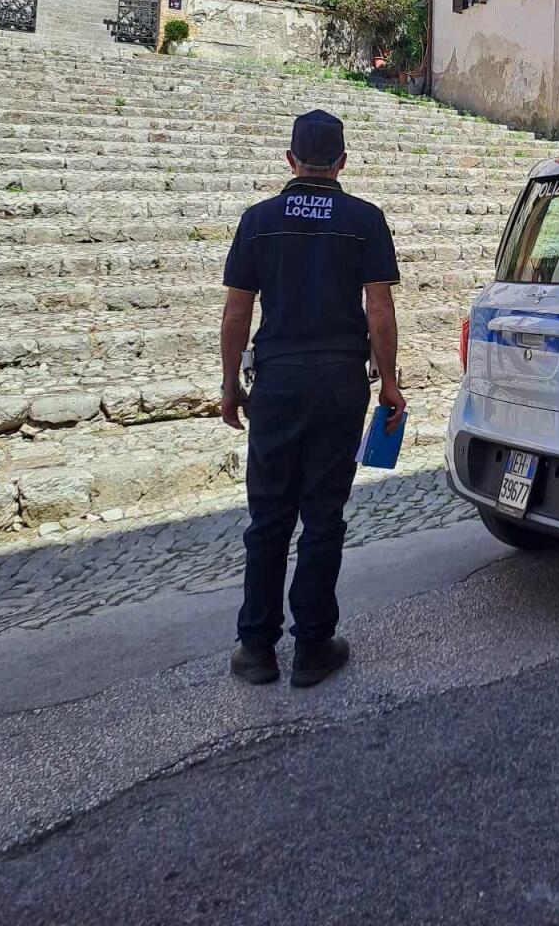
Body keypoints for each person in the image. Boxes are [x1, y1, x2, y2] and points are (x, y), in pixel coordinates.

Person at [219, 109, 405, 688]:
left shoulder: (258, 221)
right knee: (323, 514)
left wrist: (230, 383)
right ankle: (313, 646)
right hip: (339, 382)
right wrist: (391, 381)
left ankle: (255, 648)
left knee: (268, 515)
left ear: (291, 160)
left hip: (276, 381)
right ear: (342, 162)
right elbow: (380, 310)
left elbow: (236, 313)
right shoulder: (364, 219)